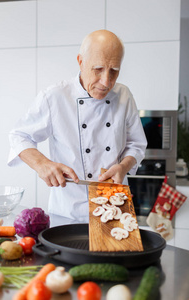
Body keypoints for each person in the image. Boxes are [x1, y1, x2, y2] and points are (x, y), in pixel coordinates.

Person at [8, 29, 147, 226]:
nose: (106, 81)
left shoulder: (124, 95)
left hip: (114, 207)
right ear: (80, 61)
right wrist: (42, 164)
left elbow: (136, 143)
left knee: (115, 257)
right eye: (98, 69)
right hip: (68, 212)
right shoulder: (55, 97)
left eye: (114, 70)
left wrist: (123, 167)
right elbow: (19, 135)